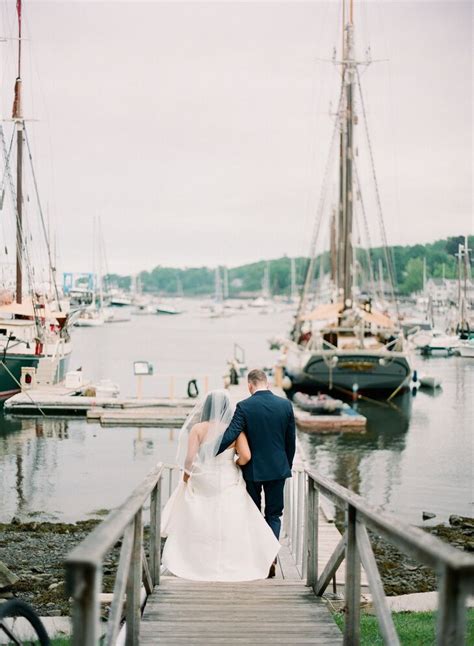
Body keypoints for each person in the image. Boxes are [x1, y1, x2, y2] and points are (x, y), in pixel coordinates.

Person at [161, 389, 280, 582]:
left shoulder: (198, 429)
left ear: (206, 407)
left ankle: (195, 560)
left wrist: (186, 477)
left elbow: (190, 459)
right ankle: (240, 559)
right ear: (227, 408)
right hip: (227, 477)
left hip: (204, 478)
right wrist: (234, 463)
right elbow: (247, 456)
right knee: (233, 517)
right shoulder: (234, 429)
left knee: (201, 515)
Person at [218, 369, 296, 577]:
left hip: (253, 470)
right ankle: (269, 557)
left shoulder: (244, 406)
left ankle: (257, 558)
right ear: (267, 383)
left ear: (250, 385)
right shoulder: (285, 405)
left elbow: (232, 433)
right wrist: (285, 465)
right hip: (278, 469)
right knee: (274, 514)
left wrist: (211, 451)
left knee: (254, 513)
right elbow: (291, 442)